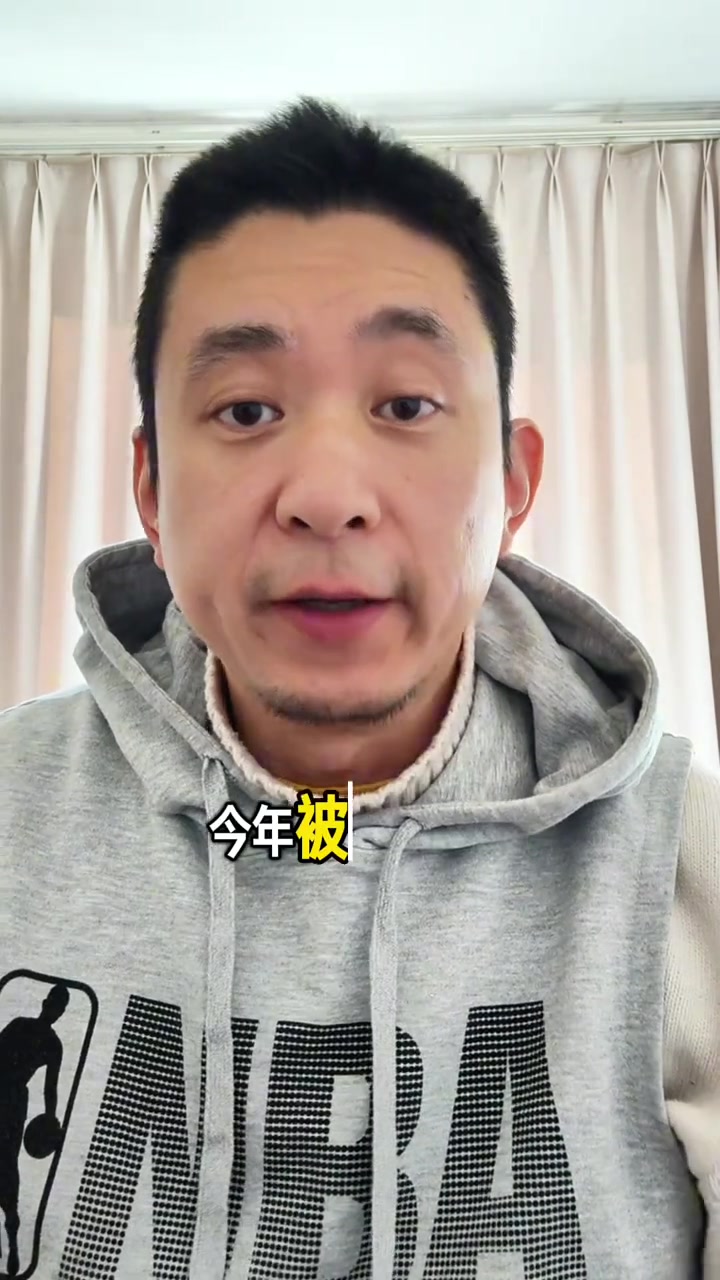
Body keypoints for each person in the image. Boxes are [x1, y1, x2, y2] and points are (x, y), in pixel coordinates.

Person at [0, 97, 717, 1279]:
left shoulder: (687, 865)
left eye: (406, 404)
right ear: (152, 489)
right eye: (246, 408)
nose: (327, 495)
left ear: (513, 480)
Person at [0, 984, 68, 1277]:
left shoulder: (53, 1045)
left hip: (14, 1099)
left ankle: (11, 1230)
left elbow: (50, 1088)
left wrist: (52, 1124)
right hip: (6, 1092)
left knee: (6, 1162)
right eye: (53, 1005)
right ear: (45, 1003)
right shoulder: (21, 1026)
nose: (54, 1011)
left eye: (58, 1008)